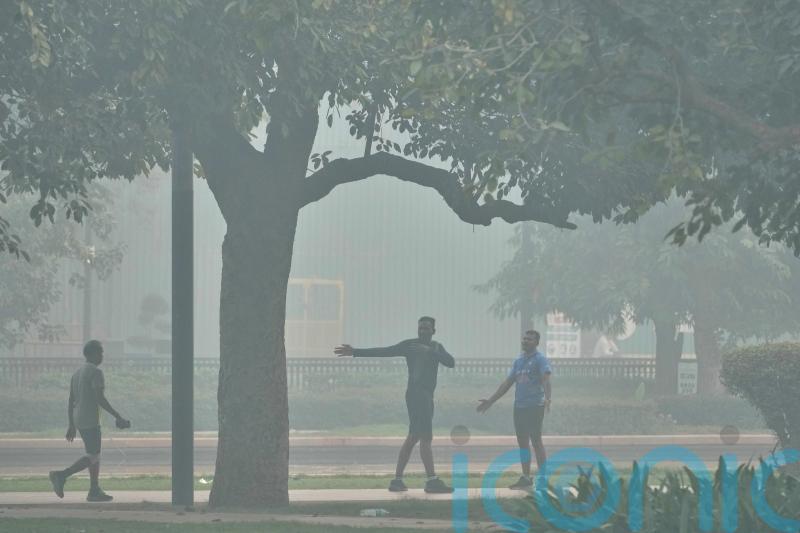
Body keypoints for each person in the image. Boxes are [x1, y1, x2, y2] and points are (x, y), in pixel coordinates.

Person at [334, 316, 455, 493]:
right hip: (417, 395)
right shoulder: (410, 345)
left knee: (413, 436)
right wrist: (355, 352)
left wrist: (429, 351)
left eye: (426, 328)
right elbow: (385, 351)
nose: (422, 331)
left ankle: (397, 480)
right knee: (426, 437)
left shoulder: (436, 347)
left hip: (427, 396)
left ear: (433, 331)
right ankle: (432, 481)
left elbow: (451, 362)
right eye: (420, 328)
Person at [49, 340, 130, 502]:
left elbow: (71, 400)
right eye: (100, 352)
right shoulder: (95, 372)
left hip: (79, 419)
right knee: (93, 455)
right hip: (90, 419)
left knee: (94, 454)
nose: (102, 356)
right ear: (92, 353)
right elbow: (99, 398)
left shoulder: (77, 373)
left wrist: (71, 424)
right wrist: (117, 416)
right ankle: (61, 475)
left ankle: (94, 490)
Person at [477, 329, 551, 490]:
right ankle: (526, 478)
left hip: (535, 406)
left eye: (530, 339)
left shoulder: (540, 359)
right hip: (519, 407)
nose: (526, 341)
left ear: (536, 342)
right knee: (522, 442)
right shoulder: (518, 361)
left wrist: (548, 398)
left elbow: (546, 379)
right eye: (525, 338)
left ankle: (543, 479)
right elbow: (507, 383)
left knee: (536, 441)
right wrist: (491, 401)